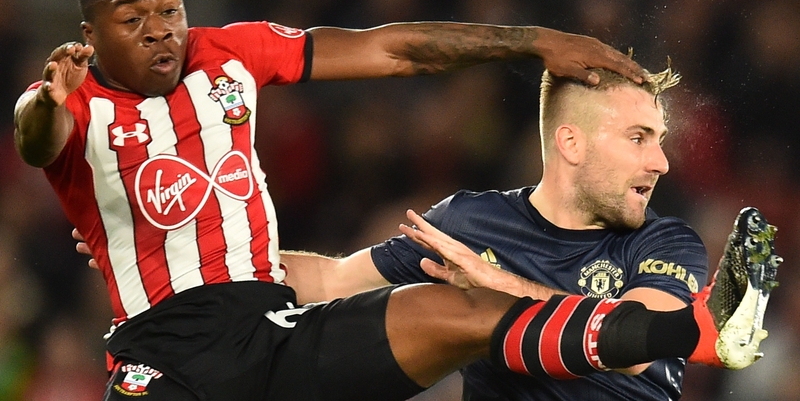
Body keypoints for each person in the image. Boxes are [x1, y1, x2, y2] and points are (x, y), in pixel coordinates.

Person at [15, 0, 770, 400]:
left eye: (168, 8)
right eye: (131, 16)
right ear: (90, 34)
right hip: (163, 352)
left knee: (459, 313)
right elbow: (35, 138)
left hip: (268, 330)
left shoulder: (228, 54)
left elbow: (392, 48)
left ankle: (704, 329)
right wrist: (53, 113)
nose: (158, 28)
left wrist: (534, 41)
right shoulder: (65, 99)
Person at [274, 67, 781, 399]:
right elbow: (331, 280)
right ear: (571, 143)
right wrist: (211, 260)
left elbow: (639, 345)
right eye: (638, 139)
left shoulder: (665, 241)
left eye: (659, 141)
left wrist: (501, 285)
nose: (662, 162)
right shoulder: (469, 224)